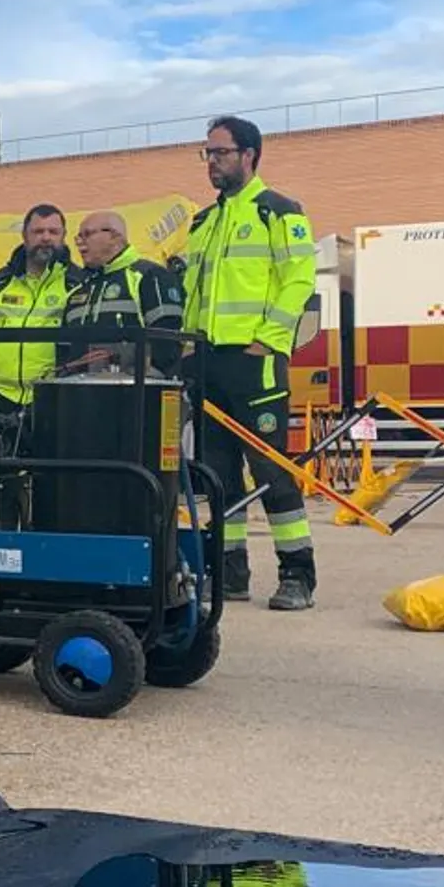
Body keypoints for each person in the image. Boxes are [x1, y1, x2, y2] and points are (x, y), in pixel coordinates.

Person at [183, 115, 319, 611]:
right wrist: (187, 347)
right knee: (216, 474)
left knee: (270, 469)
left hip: (254, 361)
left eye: (219, 152)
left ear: (248, 155)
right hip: (206, 363)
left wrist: (269, 340)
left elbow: (299, 280)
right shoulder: (203, 222)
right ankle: (229, 572)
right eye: (207, 153)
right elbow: (195, 294)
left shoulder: (279, 211)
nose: (211, 162)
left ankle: (297, 573)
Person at [0, 204, 78, 416]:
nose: (46, 238)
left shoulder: (76, 285)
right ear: (24, 236)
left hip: (53, 398)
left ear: (64, 236)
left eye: (53, 232)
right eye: (38, 231)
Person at [66, 210, 186, 374]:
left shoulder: (150, 276)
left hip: (135, 391)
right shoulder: (79, 288)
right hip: (81, 392)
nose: (80, 243)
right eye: (78, 237)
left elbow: (166, 340)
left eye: (87, 235)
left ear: (114, 237)